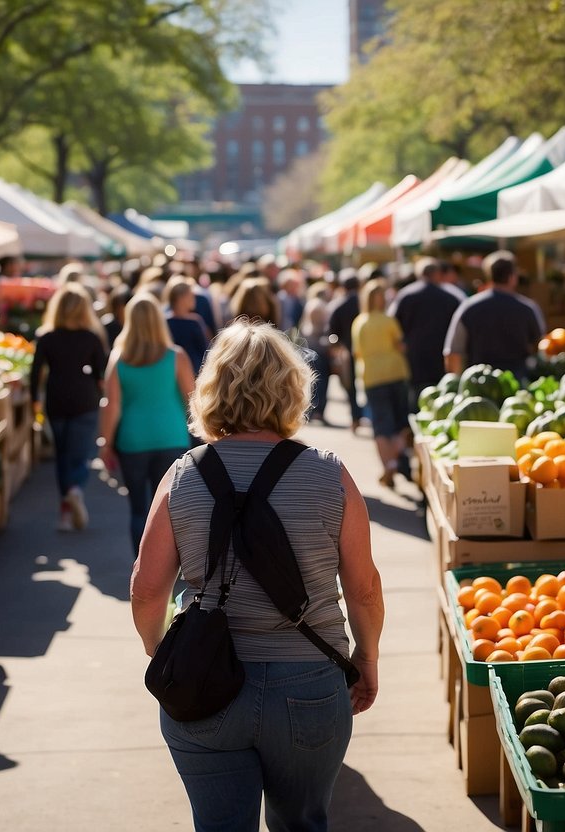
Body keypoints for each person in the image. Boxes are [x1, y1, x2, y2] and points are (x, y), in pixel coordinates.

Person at [130, 320, 384, 832]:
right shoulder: (330, 473)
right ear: (293, 390)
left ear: (211, 391)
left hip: (206, 684)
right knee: (302, 823)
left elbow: (147, 588)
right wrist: (366, 656)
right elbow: (362, 587)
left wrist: (160, 650)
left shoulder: (183, 475)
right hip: (310, 682)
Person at [99, 294, 194, 554]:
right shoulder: (177, 356)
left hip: (133, 440)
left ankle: (140, 568)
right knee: (169, 509)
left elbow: (112, 405)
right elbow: (193, 400)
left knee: (139, 509)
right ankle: (168, 572)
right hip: (172, 437)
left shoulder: (119, 359)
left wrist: (105, 443)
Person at [31, 285, 109, 532]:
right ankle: (76, 488)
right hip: (85, 398)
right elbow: (101, 374)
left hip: (56, 398)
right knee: (82, 454)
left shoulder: (47, 337)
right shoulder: (91, 338)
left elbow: (35, 374)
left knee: (62, 455)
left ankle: (64, 512)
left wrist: (35, 400)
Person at [443, 250, 541, 380]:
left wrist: (456, 382)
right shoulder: (527, 308)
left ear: (489, 275)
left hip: (479, 385)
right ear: (512, 277)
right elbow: (540, 346)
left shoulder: (469, 307)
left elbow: (453, 352)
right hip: (517, 384)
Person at [353, 279, 411, 489]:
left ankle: (388, 464)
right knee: (400, 422)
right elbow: (400, 345)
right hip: (395, 372)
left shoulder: (359, 322)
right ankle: (395, 459)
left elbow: (357, 352)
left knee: (380, 424)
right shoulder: (389, 321)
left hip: (372, 376)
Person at [389, 259, 465, 410]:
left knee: (416, 398)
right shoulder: (450, 297)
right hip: (441, 356)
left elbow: (392, 324)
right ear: (438, 274)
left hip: (414, 356)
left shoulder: (405, 296)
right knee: (443, 397)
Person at [326, 271, 364, 430]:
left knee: (351, 386)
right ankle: (361, 416)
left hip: (347, 351)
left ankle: (356, 417)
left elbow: (332, 332)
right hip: (366, 350)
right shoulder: (365, 302)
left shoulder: (338, 305)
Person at [300, 281, 333, 423]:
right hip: (318, 346)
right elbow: (321, 326)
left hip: (312, 344)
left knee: (314, 380)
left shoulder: (311, 304)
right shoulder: (319, 305)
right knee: (320, 380)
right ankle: (317, 411)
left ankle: (313, 411)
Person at [164, 277, 210, 375]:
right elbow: (205, 352)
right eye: (191, 295)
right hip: (194, 372)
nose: (194, 299)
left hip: (172, 371)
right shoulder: (194, 322)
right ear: (182, 298)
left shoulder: (164, 321)